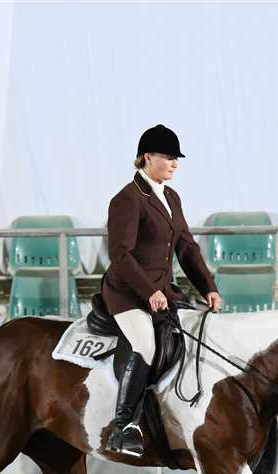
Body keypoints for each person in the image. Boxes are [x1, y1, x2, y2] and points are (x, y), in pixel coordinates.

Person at [101, 124, 222, 456]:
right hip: (128, 292)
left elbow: (186, 247)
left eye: (176, 158)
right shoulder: (127, 199)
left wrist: (208, 287)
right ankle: (123, 427)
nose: (174, 163)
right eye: (168, 157)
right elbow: (120, 254)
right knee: (145, 344)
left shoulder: (171, 197)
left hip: (164, 292)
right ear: (146, 157)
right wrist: (148, 291)